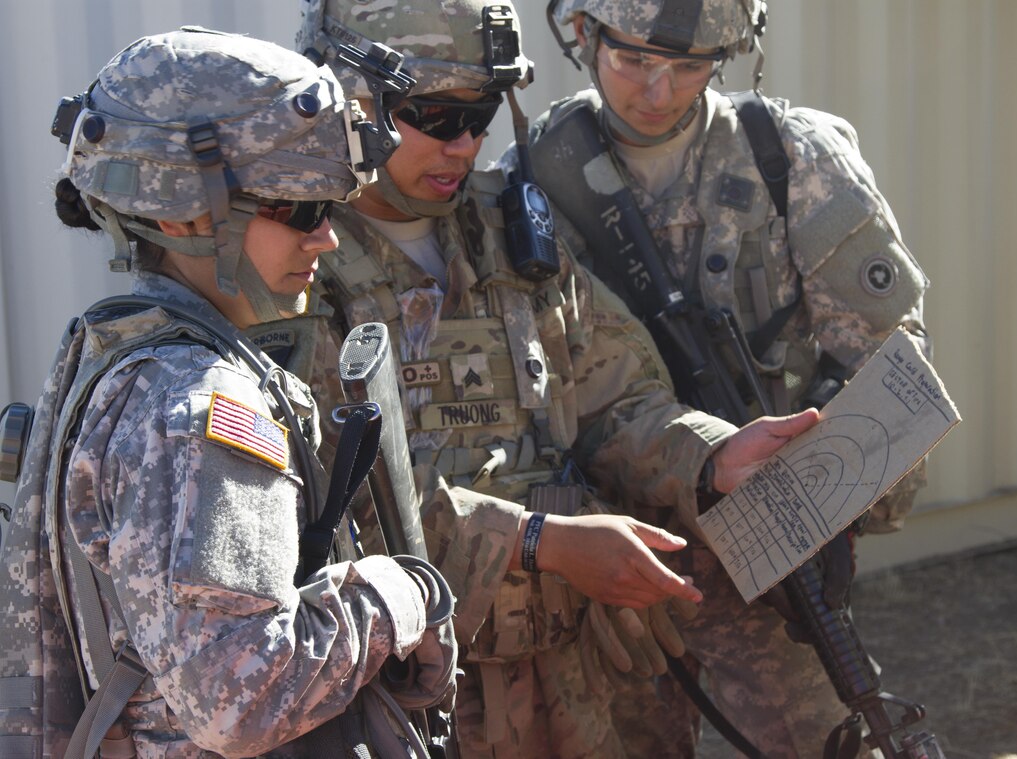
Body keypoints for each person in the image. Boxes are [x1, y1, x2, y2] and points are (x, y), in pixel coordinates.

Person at [277, 1, 822, 756]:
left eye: (480, 111)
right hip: (412, 698)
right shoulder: (294, 261)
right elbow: (327, 504)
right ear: (349, 100)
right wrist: (543, 542)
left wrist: (709, 454)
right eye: (432, 114)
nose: (464, 143)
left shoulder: (509, 231)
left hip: (572, 686)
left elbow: (614, 395)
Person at [0, 28, 456, 758]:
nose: (326, 240)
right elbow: (242, 695)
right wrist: (401, 594)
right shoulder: (201, 405)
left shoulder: (119, 354)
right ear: (184, 217)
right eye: (300, 210)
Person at [517, 1, 933, 756]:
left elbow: (887, 360)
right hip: (619, 560)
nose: (657, 91)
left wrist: (825, 482)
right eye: (633, 60)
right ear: (584, 36)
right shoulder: (531, 176)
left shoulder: (791, 156)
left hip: (773, 537)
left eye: (688, 67)